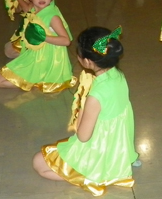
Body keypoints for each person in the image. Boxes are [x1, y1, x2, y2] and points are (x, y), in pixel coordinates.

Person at [32, 26, 139, 196]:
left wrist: (81, 108)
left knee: (39, 162)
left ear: (88, 62)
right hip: (118, 147)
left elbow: (83, 136)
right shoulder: (119, 76)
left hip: (99, 151)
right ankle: (110, 169)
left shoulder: (95, 96)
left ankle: (92, 177)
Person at [0, 0, 75, 93]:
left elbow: (66, 41)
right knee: (4, 62)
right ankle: (33, 77)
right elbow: (25, 9)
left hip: (45, 60)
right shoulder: (35, 8)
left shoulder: (53, 17)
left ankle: (36, 80)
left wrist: (43, 37)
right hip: (35, 55)